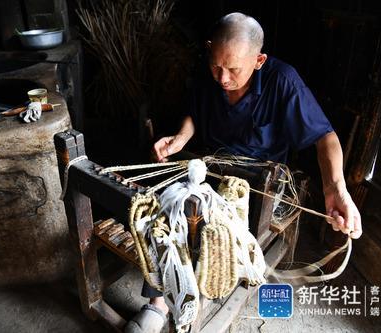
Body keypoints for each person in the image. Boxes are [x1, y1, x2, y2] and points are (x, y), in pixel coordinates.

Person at [126, 12, 362, 333]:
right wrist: (180, 139)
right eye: (216, 66)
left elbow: (325, 137)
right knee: (165, 211)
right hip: (209, 169)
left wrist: (336, 188)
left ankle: (187, 306)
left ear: (259, 59)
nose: (222, 78)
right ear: (210, 50)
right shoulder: (210, 72)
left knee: (207, 228)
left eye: (234, 69)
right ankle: (157, 305)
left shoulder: (283, 82)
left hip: (257, 186)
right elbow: (195, 114)